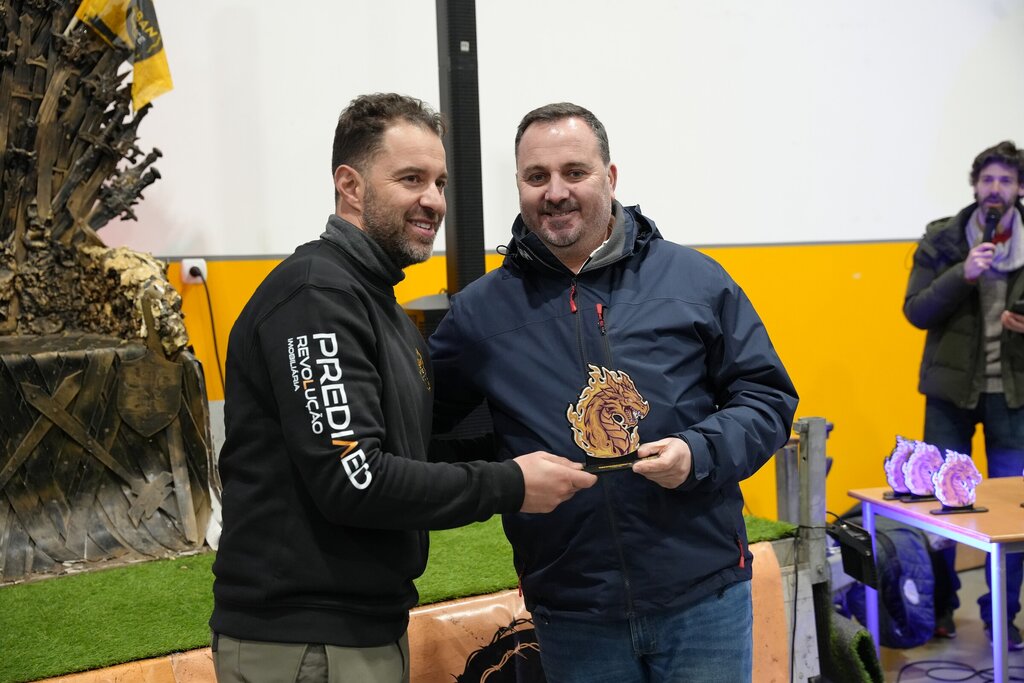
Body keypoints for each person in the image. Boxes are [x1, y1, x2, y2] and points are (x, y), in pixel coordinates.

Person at [209, 93, 596, 683]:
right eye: (411, 179)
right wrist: (512, 483)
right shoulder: (317, 298)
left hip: (358, 630)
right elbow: (356, 479)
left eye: (439, 183)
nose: (433, 200)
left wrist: (525, 440)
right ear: (350, 186)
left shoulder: (380, 305)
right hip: (303, 642)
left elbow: (410, 450)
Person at [428, 103, 798, 683]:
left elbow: (766, 398)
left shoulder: (696, 281)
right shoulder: (479, 314)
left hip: (703, 597)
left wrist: (698, 452)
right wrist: (502, 476)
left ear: (611, 176)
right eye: (536, 176)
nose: (555, 192)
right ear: (519, 185)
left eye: (574, 172)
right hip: (573, 610)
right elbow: (427, 423)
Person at [904, 140, 1024, 650]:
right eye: (987, 179)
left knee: (1014, 513)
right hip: (950, 395)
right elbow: (916, 310)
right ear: (975, 186)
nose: (995, 189)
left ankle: (1002, 616)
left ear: (1019, 188)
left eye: (1006, 180)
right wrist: (963, 274)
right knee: (942, 505)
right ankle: (939, 610)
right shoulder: (943, 239)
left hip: (1013, 397)